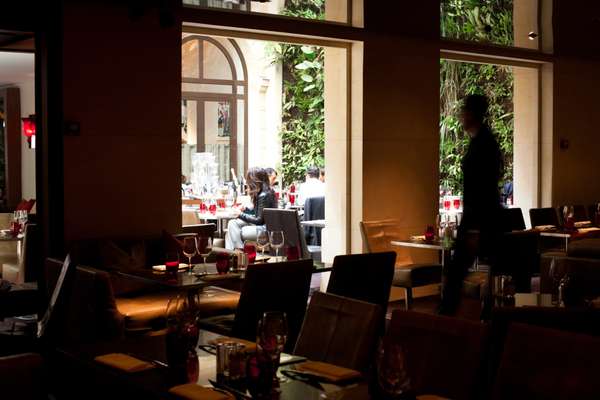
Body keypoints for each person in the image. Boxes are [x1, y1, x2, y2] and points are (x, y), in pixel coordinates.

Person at [439, 94, 504, 316]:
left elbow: (482, 188)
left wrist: (474, 229)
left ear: (472, 114)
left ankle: (445, 324)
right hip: (480, 220)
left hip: (479, 221)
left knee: (456, 275)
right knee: (456, 275)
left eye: (464, 111)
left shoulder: (483, 145)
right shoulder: (483, 141)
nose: (460, 116)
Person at [225, 167, 277, 250]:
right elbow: (260, 214)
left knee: (231, 232)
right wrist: (245, 209)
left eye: (248, 179)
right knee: (232, 224)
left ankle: (239, 253)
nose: (246, 182)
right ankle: (236, 253)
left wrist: (240, 214)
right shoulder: (264, 192)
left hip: (265, 229)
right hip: (262, 226)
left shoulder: (264, 195)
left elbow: (259, 220)